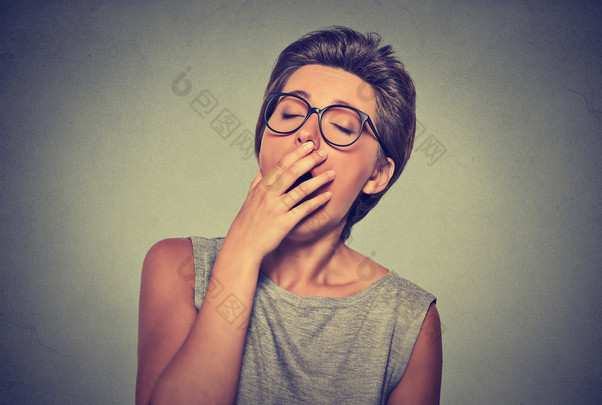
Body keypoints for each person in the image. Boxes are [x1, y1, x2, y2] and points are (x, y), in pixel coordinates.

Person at [136, 26, 442, 404]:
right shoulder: (177, 266)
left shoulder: (407, 320)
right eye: (290, 112)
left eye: (342, 126)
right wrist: (242, 251)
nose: (307, 135)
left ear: (377, 174)